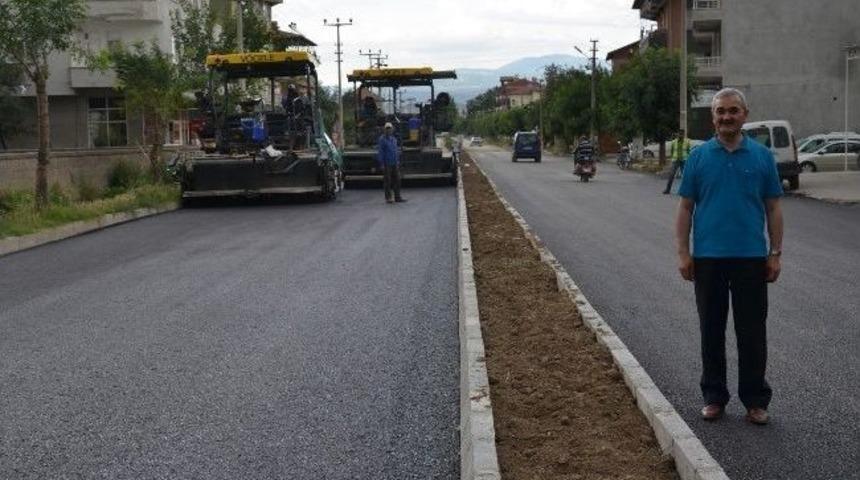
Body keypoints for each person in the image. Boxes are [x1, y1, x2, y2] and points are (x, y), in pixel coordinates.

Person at [674, 87, 784, 425]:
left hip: (751, 258)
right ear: (713, 117)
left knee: (752, 332)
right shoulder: (699, 157)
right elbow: (685, 208)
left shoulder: (763, 157)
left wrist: (775, 253)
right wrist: (683, 252)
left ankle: (755, 400)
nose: (726, 117)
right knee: (711, 330)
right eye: (721, 111)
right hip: (708, 259)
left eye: (733, 111)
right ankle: (714, 397)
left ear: (744, 115)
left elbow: (774, 208)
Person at [377, 122, 406, 204]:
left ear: (392, 129)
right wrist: (382, 164)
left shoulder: (393, 139)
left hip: (394, 163)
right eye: (387, 129)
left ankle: (398, 197)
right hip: (387, 163)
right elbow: (381, 152)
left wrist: (398, 161)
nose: (389, 130)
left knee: (397, 180)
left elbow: (395, 151)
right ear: (384, 130)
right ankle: (388, 198)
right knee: (387, 181)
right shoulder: (382, 139)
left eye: (390, 128)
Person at [663, 129, 693, 194]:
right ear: (677, 134)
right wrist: (672, 158)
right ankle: (667, 189)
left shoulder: (687, 142)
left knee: (685, 175)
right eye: (679, 134)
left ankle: (685, 190)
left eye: (682, 134)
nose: (680, 135)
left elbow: (688, 151)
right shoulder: (674, 142)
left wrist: (687, 158)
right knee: (671, 174)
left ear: (684, 134)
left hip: (684, 160)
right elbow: (672, 151)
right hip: (675, 160)